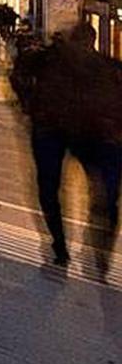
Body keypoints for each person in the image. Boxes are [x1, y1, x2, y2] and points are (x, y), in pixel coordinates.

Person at [10, 24, 122, 267]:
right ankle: (95, 250)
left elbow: (17, 75)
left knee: (50, 189)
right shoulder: (106, 66)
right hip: (86, 132)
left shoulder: (49, 58)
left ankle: (61, 245)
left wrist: (29, 104)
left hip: (55, 129)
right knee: (104, 192)